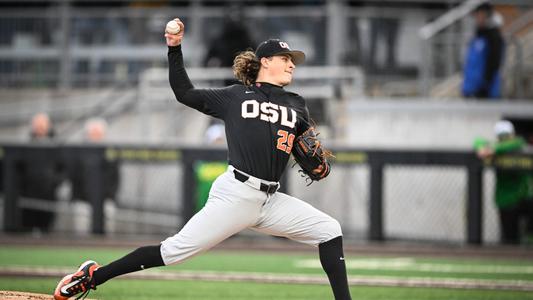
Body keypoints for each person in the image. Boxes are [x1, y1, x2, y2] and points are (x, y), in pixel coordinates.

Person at [54, 18, 351, 300]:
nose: (291, 64)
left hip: (272, 200)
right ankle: (92, 276)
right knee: (172, 252)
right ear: (265, 61)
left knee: (329, 230)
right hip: (236, 194)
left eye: (292, 61)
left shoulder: (296, 103)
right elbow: (184, 92)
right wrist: (174, 47)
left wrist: (314, 161)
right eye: (285, 58)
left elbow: (306, 148)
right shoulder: (236, 96)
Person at [474, 120, 533, 244]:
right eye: (502, 136)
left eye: (507, 136)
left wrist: (493, 149)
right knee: (510, 239)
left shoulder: (515, 144)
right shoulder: (494, 147)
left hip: (522, 197)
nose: (505, 139)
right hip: (505, 200)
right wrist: (482, 148)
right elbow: (478, 141)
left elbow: (518, 142)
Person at [462, 2, 505, 99]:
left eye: (480, 14)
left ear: (487, 15)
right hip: (471, 90)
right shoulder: (478, 36)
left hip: (485, 93)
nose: (477, 18)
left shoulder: (493, 37)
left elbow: (494, 63)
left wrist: (484, 87)